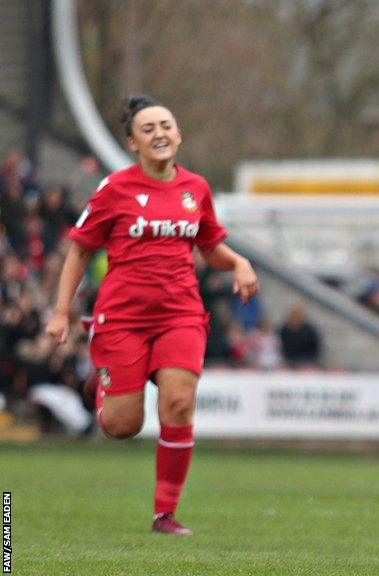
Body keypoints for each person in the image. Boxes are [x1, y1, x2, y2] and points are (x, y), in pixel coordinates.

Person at [45, 96, 259, 536]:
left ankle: (164, 514)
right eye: (148, 128)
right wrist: (61, 312)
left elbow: (209, 245)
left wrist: (238, 262)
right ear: (133, 144)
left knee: (179, 404)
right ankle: (101, 387)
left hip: (180, 313)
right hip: (122, 318)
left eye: (166, 125)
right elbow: (81, 249)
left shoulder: (195, 189)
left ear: (178, 135)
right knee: (124, 426)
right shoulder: (115, 189)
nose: (159, 133)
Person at [279, 303, 322, 368]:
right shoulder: (284, 329)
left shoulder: (309, 329)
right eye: (293, 315)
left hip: (306, 358)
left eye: (297, 315)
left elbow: (315, 345)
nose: (295, 317)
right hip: (289, 358)